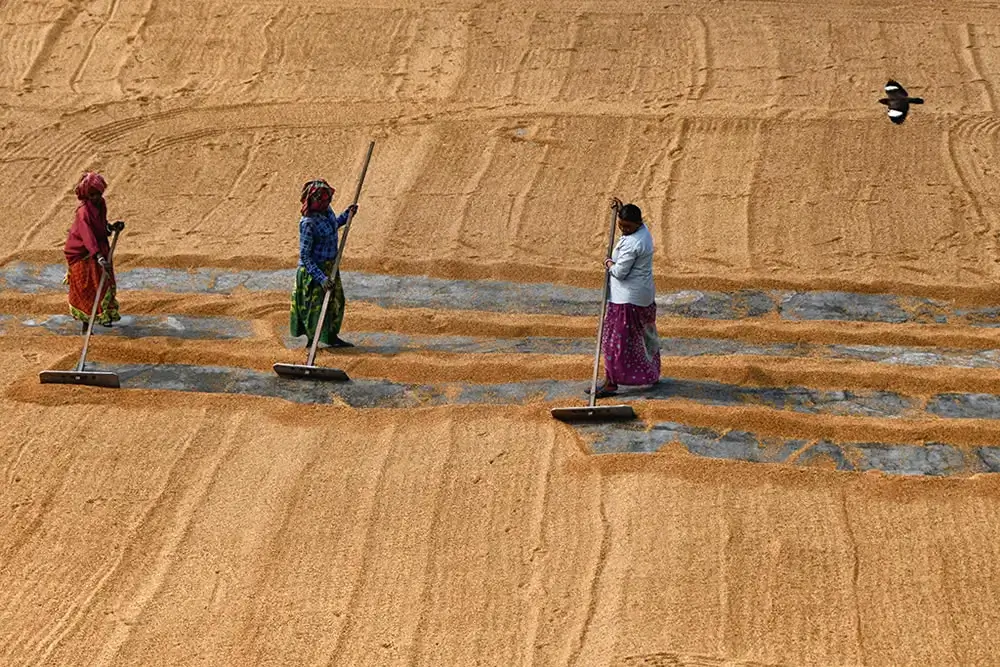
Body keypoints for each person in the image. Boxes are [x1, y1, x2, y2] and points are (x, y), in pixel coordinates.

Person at [591, 198, 661, 397]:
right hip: (641, 296)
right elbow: (629, 219)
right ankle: (648, 374)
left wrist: (608, 263)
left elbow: (621, 272)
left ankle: (611, 382)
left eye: (628, 227)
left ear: (638, 224)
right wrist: (621, 211)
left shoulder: (635, 244)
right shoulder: (643, 231)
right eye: (621, 225)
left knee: (613, 343)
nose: (623, 230)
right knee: (642, 338)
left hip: (627, 300)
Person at [290, 179, 358, 348]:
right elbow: (305, 256)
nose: (326, 203)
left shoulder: (327, 211)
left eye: (327, 200)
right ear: (313, 201)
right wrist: (321, 279)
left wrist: (347, 215)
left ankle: (331, 337)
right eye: (322, 200)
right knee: (314, 308)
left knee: (335, 302)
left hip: (330, 267)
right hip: (314, 272)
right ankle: (311, 343)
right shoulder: (308, 223)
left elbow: (333, 225)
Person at [63, 172, 124, 332]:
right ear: (86, 196)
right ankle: (86, 323)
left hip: (98, 246)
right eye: (92, 195)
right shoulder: (83, 212)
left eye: (98, 194)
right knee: (88, 287)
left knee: (104, 281)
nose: (96, 198)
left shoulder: (101, 204)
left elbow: (101, 225)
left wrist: (111, 227)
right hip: (82, 252)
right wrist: (98, 256)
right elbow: (87, 235)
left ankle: (105, 315)